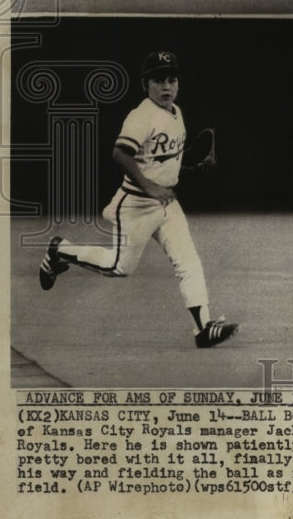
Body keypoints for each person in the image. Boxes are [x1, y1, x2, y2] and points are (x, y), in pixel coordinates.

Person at [39, 51, 239, 349]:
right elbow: (120, 153)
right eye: (158, 80)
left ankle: (203, 329)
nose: (166, 86)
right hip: (136, 205)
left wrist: (194, 163)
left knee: (188, 261)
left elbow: (163, 159)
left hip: (166, 203)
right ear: (145, 84)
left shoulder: (176, 112)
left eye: (171, 79)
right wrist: (151, 187)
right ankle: (59, 251)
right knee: (119, 267)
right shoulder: (141, 116)